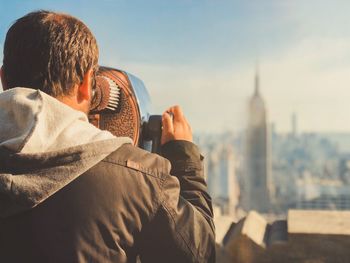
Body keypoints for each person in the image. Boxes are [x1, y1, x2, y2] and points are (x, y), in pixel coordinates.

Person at [0, 10, 215, 263]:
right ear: (87, 82)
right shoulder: (141, 178)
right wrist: (184, 159)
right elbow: (199, 254)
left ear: (3, 78)